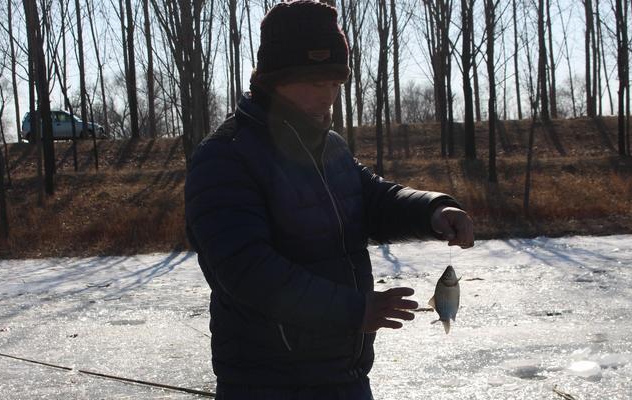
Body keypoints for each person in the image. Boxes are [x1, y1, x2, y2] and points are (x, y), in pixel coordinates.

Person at [184, 1, 474, 398]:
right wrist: (353, 311)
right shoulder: (225, 156)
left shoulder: (329, 147)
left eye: (335, 84)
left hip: (345, 377)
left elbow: (374, 199)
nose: (329, 97)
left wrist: (433, 210)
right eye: (316, 83)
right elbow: (247, 270)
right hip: (267, 384)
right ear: (274, 80)